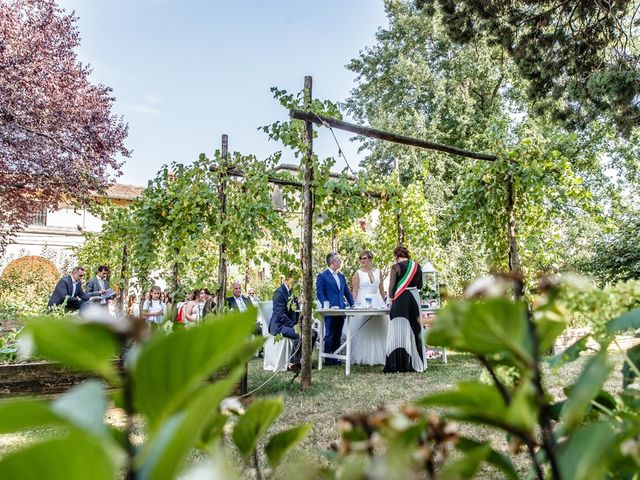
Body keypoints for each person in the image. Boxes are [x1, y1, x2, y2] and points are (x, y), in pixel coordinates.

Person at [384, 246, 424, 373]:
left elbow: (391, 290)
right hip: (414, 298)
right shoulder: (417, 266)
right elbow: (420, 285)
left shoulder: (395, 267)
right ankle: (417, 362)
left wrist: (391, 298)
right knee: (415, 328)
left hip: (400, 299)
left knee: (398, 329)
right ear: (407, 254)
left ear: (396, 256)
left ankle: (398, 363)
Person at [347, 250, 387, 365]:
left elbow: (381, 288)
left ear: (370, 259)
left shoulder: (378, 272)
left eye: (364, 258)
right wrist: (353, 304)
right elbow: (354, 290)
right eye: (360, 258)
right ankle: (362, 356)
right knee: (363, 327)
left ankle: (379, 355)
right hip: (362, 300)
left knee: (377, 326)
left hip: (377, 300)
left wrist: (384, 302)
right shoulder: (358, 273)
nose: (362, 261)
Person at [316, 253, 355, 366]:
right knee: (329, 334)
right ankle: (328, 359)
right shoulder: (322, 276)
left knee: (338, 334)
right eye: (339, 260)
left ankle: (336, 358)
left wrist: (353, 304)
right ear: (332, 262)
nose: (340, 262)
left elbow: (346, 292)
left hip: (341, 310)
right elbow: (320, 293)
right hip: (330, 310)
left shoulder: (341, 276)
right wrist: (326, 305)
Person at [269, 274, 301, 370]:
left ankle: (302, 360)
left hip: (288, 324)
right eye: (294, 280)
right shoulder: (279, 293)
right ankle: (292, 363)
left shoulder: (292, 292)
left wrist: (300, 322)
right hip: (278, 325)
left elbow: (296, 311)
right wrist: (293, 326)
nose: (296, 283)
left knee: (312, 333)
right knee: (299, 334)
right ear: (287, 280)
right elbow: (280, 315)